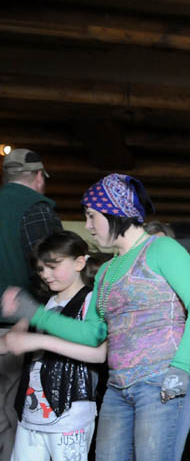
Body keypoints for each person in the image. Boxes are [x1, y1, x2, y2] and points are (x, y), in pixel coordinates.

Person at [2, 173, 190, 461]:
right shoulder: (107, 271)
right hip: (118, 387)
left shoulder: (161, 249)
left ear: (115, 212)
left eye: (91, 216)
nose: (88, 226)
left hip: (161, 379)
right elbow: (92, 334)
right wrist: (34, 313)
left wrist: (181, 366)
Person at [0, 231, 107, 461]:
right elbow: (10, 341)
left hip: (70, 415)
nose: (46, 275)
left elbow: (99, 355)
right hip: (31, 413)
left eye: (52, 266)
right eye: (41, 269)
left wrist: (37, 340)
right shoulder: (42, 304)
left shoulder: (91, 300)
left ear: (79, 262)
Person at [0, 148, 62, 461]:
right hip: (17, 328)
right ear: (39, 177)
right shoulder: (36, 209)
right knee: (14, 415)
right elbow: (51, 271)